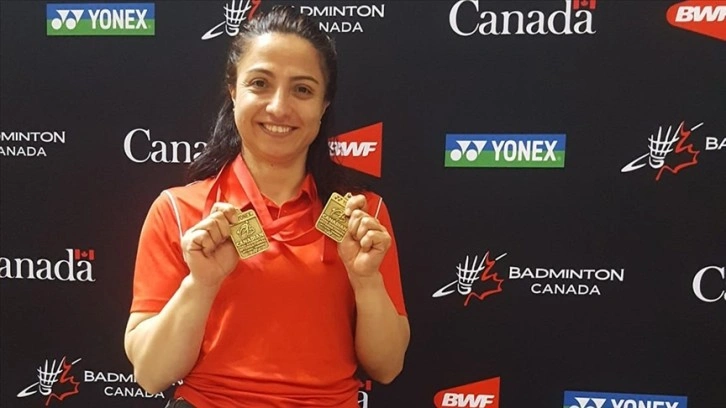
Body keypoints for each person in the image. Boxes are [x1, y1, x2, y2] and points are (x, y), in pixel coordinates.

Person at [123, 5, 410, 408]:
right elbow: (151, 374)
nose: (278, 107)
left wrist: (366, 280)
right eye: (260, 83)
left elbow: (387, 367)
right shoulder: (177, 210)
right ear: (233, 91)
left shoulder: (361, 218)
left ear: (324, 104)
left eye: (302, 90)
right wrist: (200, 285)